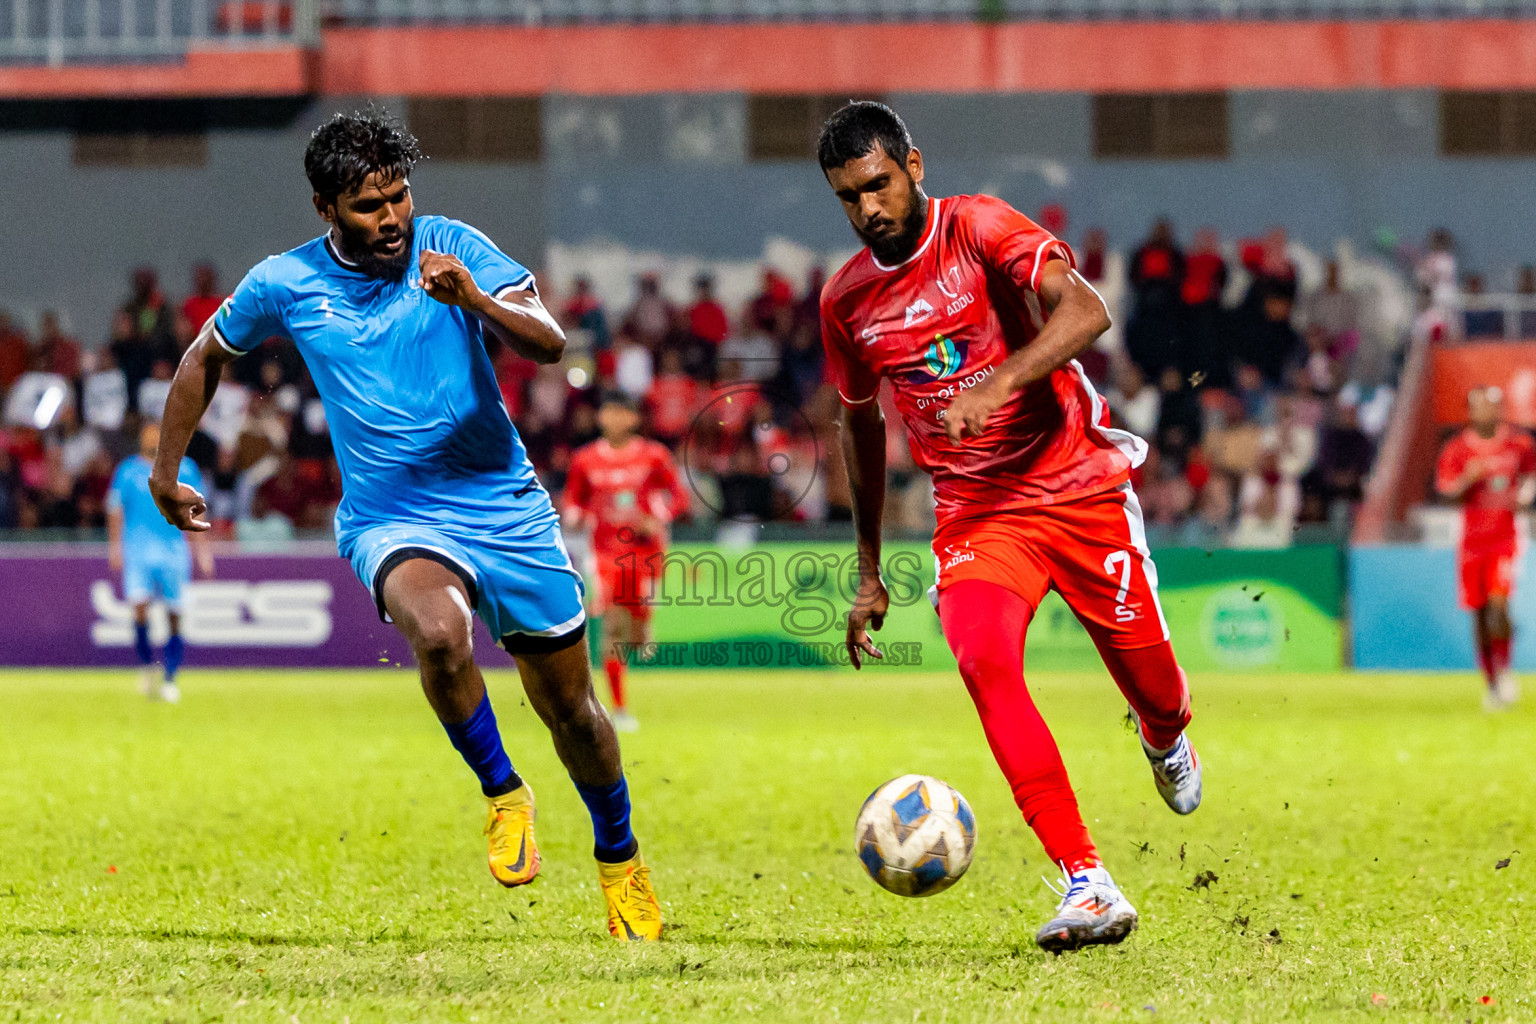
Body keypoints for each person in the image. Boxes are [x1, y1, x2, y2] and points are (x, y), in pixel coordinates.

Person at [146, 109, 661, 941]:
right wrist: (165, 473)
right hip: (393, 514)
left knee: (573, 714)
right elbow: (204, 354)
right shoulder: (286, 282)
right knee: (438, 631)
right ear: (326, 208)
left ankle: (620, 858)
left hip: (504, 505)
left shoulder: (452, 245)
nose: (391, 218)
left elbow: (550, 341)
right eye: (368, 205)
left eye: (398, 195)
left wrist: (477, 297)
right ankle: (503, 792)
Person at [816, 102, 1200, 953]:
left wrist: (999, 383)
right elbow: (860, 425)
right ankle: (1088, 881)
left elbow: (1087, 310)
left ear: (913, 166)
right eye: (848, 197)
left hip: (1078, 484)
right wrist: (869, 570)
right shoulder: (846, 301)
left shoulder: (980, 227)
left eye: (878, 184)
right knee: (985, 661)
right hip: (978, 515)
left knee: (1157, 690)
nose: (868, 208)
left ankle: (1164, 734)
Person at [564, 392, 690, 732]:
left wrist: (657, 516)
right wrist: (574, 516)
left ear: (633, 419)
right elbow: (573, 501)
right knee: (613, 626)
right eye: (609, 411)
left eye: (622, 413)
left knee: (637, 636)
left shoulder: (654, 455)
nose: (615, 419)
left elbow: (679, 497)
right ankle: (619, 709)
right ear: (601, 417)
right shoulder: (585, 459)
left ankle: (644, 623)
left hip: (646, 553)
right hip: (605, 553)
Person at [1434, 387, 1536, 711]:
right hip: (1471, 541)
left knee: (1498, 604)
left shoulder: (1519, 444)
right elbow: (1446, 493)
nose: (1487, 412)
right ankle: (1491, 683)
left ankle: (1505, 672)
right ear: (1470, 411)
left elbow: (1530, 477)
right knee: (1479, 614)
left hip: (1505, 538)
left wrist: (1526, 496)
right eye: (1479, 407)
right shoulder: (1457, 449)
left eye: (1492, 406)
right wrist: (1468, 479)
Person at [107, 423, 214, 703]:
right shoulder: (128, 471)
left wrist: (202, 550)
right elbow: (115, 509)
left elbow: (196, 512)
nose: (153, 438)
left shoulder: (186, 468)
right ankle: (146, 667)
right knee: (139, 610)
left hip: (173, 552)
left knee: (175, 614)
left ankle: (170, 676)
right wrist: (115, 546)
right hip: (138, 552)